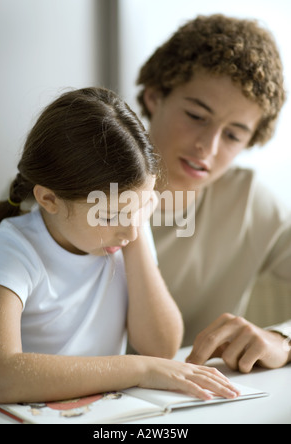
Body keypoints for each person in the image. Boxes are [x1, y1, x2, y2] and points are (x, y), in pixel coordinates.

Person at [0, 87, 240, 404]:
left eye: (142, 207)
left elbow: (160, 347)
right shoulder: (9, 250)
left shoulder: (124, 232)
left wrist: (134, 236)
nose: (130, 230)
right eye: (109, 216)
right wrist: (136, 368)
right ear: (49, 199)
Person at [136, 14, 291, 373]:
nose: (207, 146)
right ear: (155, 96)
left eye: (234, 135)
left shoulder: (249, 202)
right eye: (196, 115)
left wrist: (281, 341)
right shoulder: (71, 184)